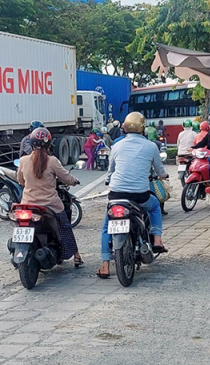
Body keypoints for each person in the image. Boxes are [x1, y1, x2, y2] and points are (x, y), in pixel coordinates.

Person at [98, 112, 168, 279]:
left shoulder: (116, 146)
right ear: (143, 127)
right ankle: (157, 239)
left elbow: (111, 171)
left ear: (125, 127)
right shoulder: (151, 146)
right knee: (155, 206)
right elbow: (159, 170)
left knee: (106, 228)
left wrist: (108, 180)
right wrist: (163, 176)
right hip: (140, 196)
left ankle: (105, 265)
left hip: (116, 196)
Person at [17, 128, 84, 268]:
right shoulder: (53, 161)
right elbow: (66, 178)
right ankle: (76, 256)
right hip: (50, 205)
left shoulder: (23, 160)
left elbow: (21, 181)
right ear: (49, 145)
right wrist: (75, 181)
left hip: (27, 204)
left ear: (32, 143)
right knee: (65, 228)